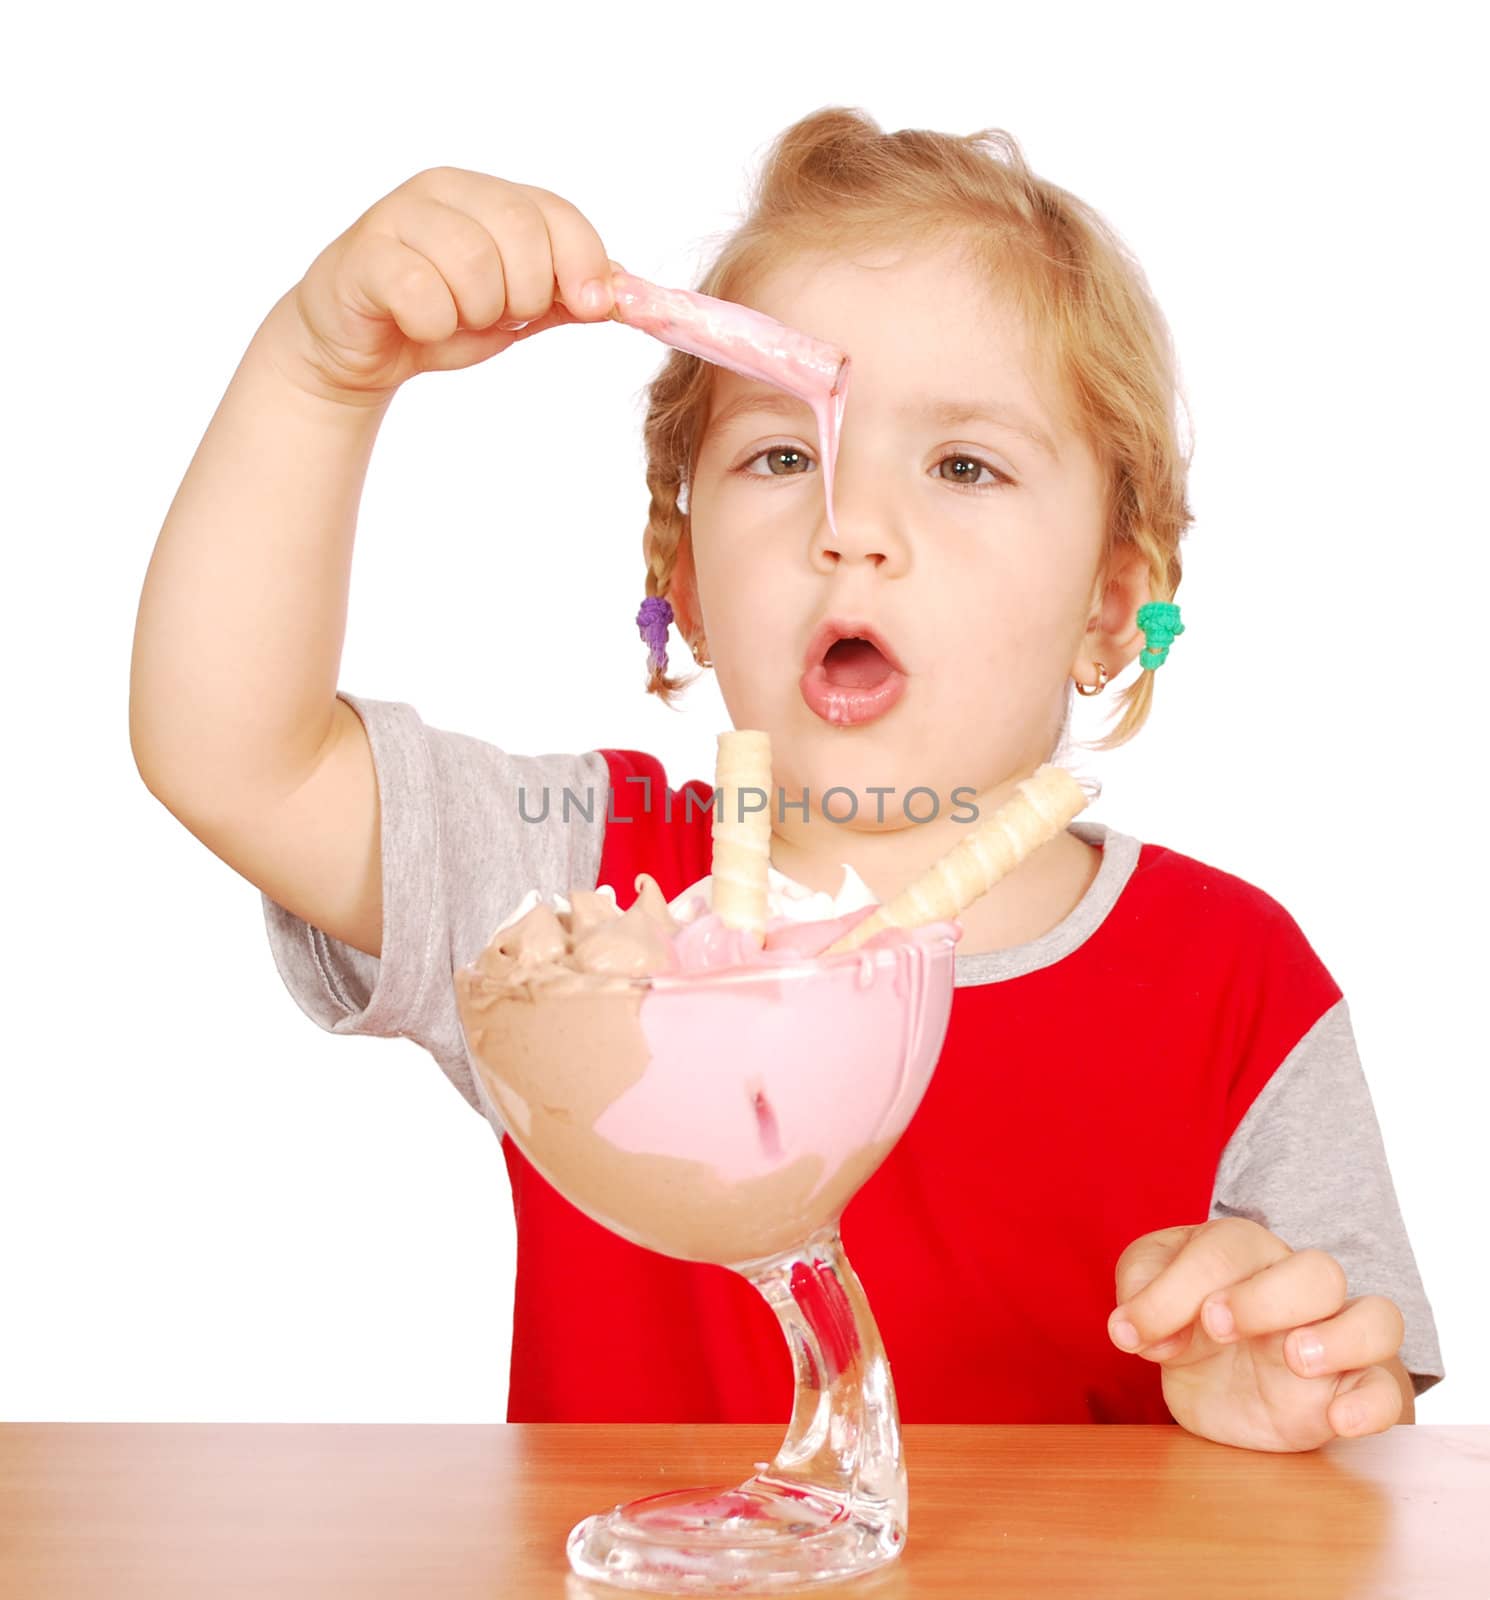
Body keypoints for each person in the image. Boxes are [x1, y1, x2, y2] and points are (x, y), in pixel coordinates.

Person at [129, 107, 1443, 1452]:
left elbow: (1357, 1434)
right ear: (684, 583)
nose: (848, 528)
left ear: (1113, 601)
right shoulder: (581, 898)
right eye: (778, 457)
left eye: (960, 465)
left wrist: (1284, 1389)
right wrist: (318, 375)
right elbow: (234, 756)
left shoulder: (1233, 979)